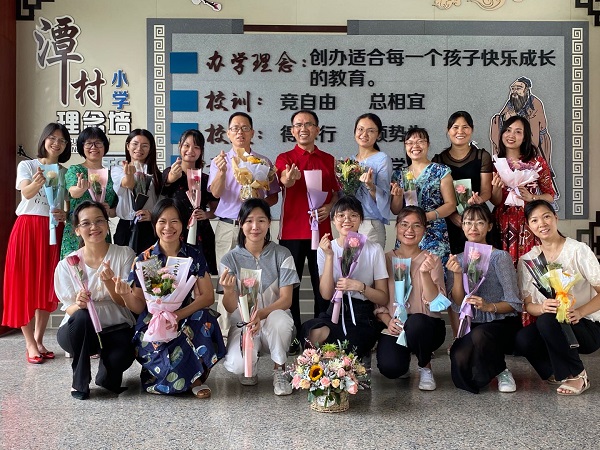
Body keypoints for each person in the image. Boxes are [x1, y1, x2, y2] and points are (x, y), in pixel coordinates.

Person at [115, 198, 226, 398]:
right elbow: (138, 306)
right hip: (152, 322)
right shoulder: (146, 259)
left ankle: (193, 379)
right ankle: (176, 376)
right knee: (164, 356)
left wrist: (177, 315)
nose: (168, 227)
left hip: (185, 316)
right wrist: (124, 294)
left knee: (205, 317)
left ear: (183, 223)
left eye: (174, 221)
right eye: (162, 221)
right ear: (154, 224)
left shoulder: (193, 255)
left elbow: (208, 296)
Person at [515, 200, 600, 396]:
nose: (542, 224)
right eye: (534, 220)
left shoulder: (578, 250)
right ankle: (555, 372)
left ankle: (578, 374)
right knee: (523, 339)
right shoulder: (528, 260)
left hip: (585, 325)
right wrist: (542, 307)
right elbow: (528, 305)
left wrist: (580, 312)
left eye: (546, 217)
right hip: (553, 325)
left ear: (555, 218)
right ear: (529, 226)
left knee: (547, 321)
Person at [2, 123, 71, 364]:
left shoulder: (65, 172)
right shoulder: (28, 166)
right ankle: (30, 343)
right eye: (52, 138)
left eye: (62, 140)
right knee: (24, 284)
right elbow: (26, 193)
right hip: (28, 228)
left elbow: (66, 206)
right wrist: (38, 182)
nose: (56, 143)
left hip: (54, 230)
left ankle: (40, 340)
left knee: (46, 285)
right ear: (44, 140)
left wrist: (64, 215)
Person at [55, 201, 136, 400]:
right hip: (80, 330)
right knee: (82, 316)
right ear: (77, 230)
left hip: (116, 326)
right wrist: (79, 304)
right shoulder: (67, 264)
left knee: (120, 360)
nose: (94, 227)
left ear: (107, 224)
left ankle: (107, 377)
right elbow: (68, 308)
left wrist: (109, 282)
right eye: (86, 223)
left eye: (99, 221)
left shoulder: (124, 254)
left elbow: (124, 302)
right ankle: (79, 381)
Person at [208, 112, 280, 337]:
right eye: (235, 128)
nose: (240, 132)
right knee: (227, 280)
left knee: (253, 278)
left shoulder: (263, 162)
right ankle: (224, 332)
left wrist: (257, 198)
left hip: (255, 228)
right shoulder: (220, 161)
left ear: (252, 132)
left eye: (245, 128)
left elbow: (274, 196)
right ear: (228, 133)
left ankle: (253, 329)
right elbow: (215, 193)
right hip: (228, 226)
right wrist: (222, 172)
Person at [219, 198, 300, 395]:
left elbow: (286, 300)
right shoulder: (229, 259)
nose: (255, 226)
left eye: (261, 220)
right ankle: (250, 364)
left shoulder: (282, 254)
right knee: (237, 366)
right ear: (240, 223)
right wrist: (228, 290)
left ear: (269, 223)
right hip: (244, 325)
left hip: (273, 319)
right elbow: (230, 308)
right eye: (249, 221)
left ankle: (280, 370)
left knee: (280, 320)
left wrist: (260, 315)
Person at [276, 110, 339, 353]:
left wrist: (329, 207)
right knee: (290, 287)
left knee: (321, 285)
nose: (303, 128)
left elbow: (336, 193)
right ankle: (293, 337)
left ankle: (318, 334)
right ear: (292, 131)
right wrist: (290, 178)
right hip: (291, 232)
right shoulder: (285, 158)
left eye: (309, 124)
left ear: (317, 129)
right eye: (298, 125)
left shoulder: (328, 159)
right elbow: (284, 180)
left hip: (321, 233)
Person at [446, 204, 522, 394]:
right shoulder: (457, 259)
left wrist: (489, 306)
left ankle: (502, 371)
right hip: (472, 324)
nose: (473, 227)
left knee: (481, 336)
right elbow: (458, 303)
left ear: (489, 226)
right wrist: (457, 274)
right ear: (462, 226)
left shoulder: (500, 257)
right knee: (460, 363)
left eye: (480, 222)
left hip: (500, 322)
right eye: (468, 222)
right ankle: (487, 367)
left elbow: (514, 303)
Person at [301, 196, 388, 360]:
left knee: (346, 348)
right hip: (334, 311)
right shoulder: (325, 248)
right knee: (310, 332)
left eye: (353, 215)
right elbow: (326, 294)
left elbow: (383, 298)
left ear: (360, 219)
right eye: (341, 215)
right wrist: (329, 256)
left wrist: (360, 287)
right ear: (333, 220)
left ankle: (358, 356)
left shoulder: (374, 249)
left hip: (361, 313)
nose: (347, 220)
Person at [490, 116, 555, 326]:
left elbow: (550, 195)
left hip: (530, 226)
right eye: (508, 130)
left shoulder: (537, 163)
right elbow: (496, 201)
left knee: (533, 272)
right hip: (505, 225)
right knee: (506, 273)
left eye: (518, 132)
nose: (512, 135)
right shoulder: (495, 163)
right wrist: (496, 188)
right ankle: (510, 325)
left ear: (525, 137)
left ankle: (536, 324)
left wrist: (532, 197)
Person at [375, 207, 446, 391]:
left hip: (426, 327)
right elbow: (378, 303)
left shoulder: (432, 260)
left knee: (416, 323)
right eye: (404, 224)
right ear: (396, 227)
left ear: (424, 230)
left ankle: (425, 366)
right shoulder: (384, 259)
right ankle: (403, 362)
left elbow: (436, 304)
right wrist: (388, 321)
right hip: (396, 326)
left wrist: (425, 274)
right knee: (391, 368)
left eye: (417, 225)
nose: (410, 230)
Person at [390, 127, 456, 265]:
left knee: (434, 271)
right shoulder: (399, 174)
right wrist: (397, 196)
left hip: (434, 233)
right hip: (407, 232)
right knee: (406, 272)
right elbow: (396, 210)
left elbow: (451, 204)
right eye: (410, 142)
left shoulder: (440, 171)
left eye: (420, 141)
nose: (415, 146)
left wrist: (427, 217)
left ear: (428, 144)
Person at [432, 111, 493, 255]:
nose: (460, 131)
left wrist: (479, 199)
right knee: (453, 262)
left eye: (465, 127)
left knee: (479, 260)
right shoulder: (438, 160)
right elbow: (438, 197)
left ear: (472, 130)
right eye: (455, 127)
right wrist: (452, 215)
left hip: (477, 218)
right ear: (448, 130)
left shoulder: (482, 156)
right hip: (450, 220)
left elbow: (486, 191)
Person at [163, 129, 217, 274]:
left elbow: (216, 209)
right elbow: (162, 192)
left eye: (196, 147)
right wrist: (171, 177)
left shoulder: (205, 178)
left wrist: (206, 214)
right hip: (176, 230)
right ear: (180, 146)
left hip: (202, 232)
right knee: (175, 274)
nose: (190, 150)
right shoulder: (169, 173)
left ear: (201, 151)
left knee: (202, 274)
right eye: (186, 145)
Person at [61, 127, 117, 259]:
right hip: (77, 232)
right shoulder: (75, 170)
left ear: (105, 146)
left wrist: (109, 211)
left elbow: (115, 209)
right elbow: (73, 192)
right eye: (88, 143)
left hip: (100, 232)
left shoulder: (112, 175)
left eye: (98, 143)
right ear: (82, 147)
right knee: (74, 268)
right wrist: (81, 188)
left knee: (102, 268)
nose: (93, 147)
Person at [111, 129, 163, 254]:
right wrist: (129, 174)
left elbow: (162, 203)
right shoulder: (118, 170)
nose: (139, 148)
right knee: (125, 263)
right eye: (135, 144)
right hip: (126, 226)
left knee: (149, 263)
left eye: (145, 145)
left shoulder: (157, 175)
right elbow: (127, 184)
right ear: (128, 146)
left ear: (150, 149)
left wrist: (152, 215)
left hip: (149, 226)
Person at [351, 113, 392, 249]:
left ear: (378, 135)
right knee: (349, 262)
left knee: (370, 262)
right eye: (360, 129)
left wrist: (370, 186)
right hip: (350, 221)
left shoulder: (382, 159)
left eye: (371, 131)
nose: (364, 134)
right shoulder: (350, 161)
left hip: (370, 222)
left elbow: (385, 196)